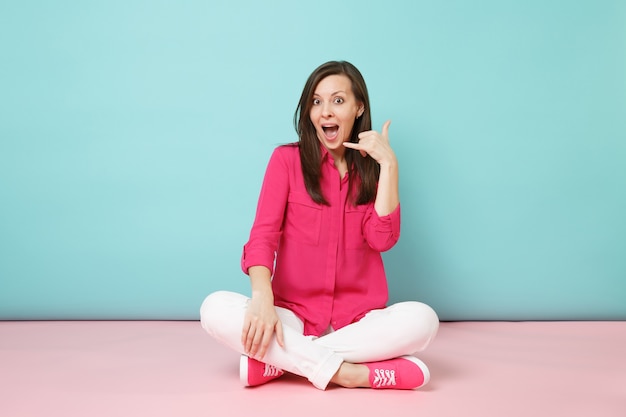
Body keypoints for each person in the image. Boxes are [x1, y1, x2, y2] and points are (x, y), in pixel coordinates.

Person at [200, 60, 439, 390]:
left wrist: (389, 164)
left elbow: (382, 239)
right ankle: (352, 374)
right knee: (213, 308)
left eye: (338, 100)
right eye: (316, 101)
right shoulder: (285, 161)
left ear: (359, 108)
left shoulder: (371, 172)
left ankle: (283, 364)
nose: (325, 111)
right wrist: (261, 298)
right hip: (293, 317)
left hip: (357, 323)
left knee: (423, 320)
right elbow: (263, 236)